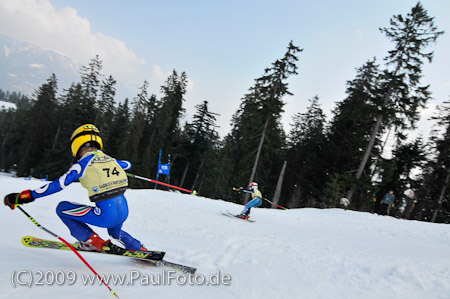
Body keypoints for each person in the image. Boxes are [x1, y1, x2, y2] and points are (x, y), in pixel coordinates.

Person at [4, 124, 146, 252]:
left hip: (106, 215)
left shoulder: (82, 164)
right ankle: (138, 247)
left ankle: (90, 241)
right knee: (115, 232)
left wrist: (25, 196)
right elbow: (127, 164)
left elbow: (57, 185)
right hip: (123, 211)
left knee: (62, 208)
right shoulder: (111, 160)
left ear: (76, 144)